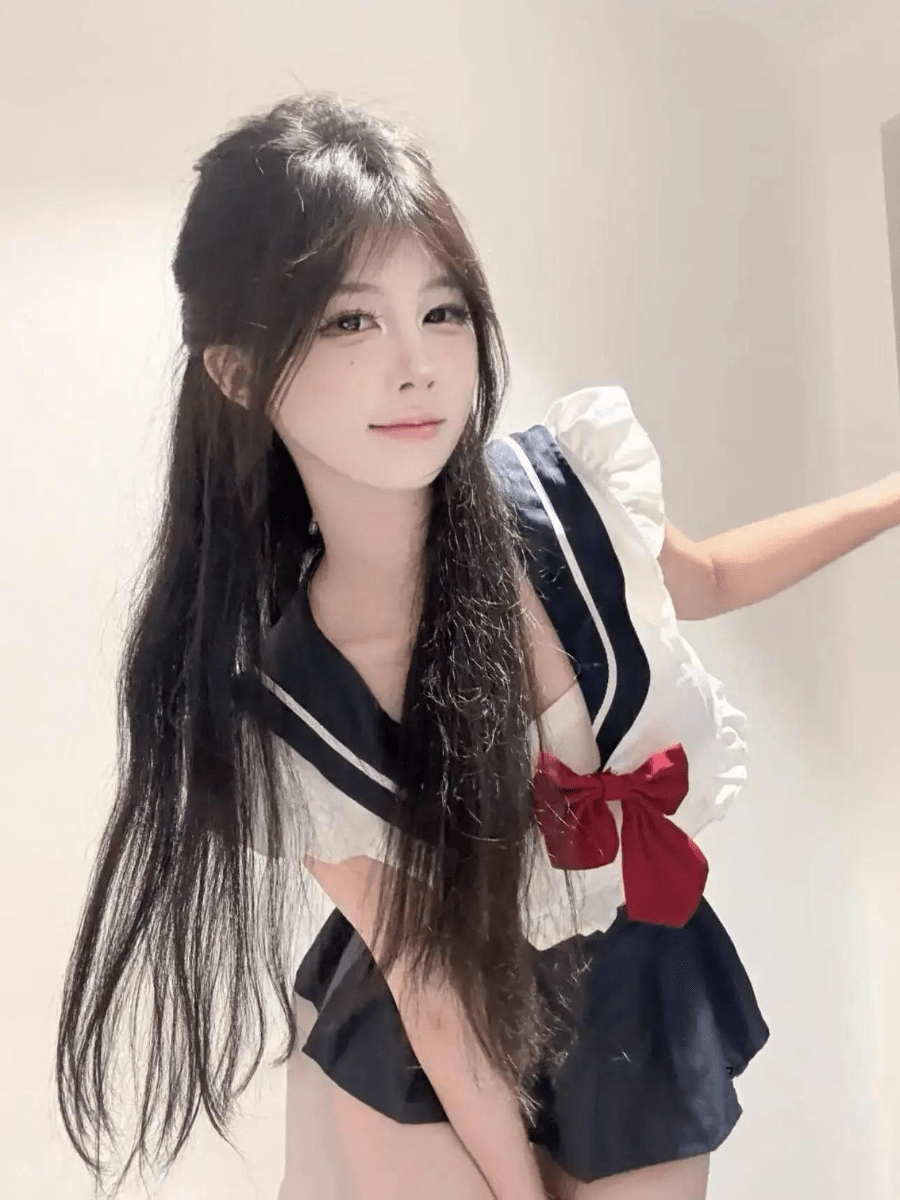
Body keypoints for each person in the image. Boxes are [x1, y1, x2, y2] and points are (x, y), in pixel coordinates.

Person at [55, 91, 900, 1200]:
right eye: (349, 321)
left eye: (443, 310)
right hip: (426, 1049)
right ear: (239, 372)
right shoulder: (287, 704)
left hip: (636, 985)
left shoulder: (564, 497)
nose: (417, 364)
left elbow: (710, 577)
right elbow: (430, 987)